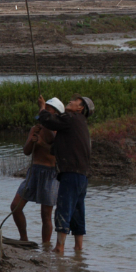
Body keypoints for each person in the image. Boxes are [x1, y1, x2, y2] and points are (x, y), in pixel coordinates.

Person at [37, 95, 94, 254]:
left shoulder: (71, 117)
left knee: (63, 209)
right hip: (81, 176)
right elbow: (58, 147)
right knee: (77, 212)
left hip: (71, 174)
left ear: (80, 108)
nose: (71, 100)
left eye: (75, 100)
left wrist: (42, 107)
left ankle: (59, 247)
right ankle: (78, 249)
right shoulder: (80, 123)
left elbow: (48, 120)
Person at [10, 97, 62, 246]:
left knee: (46, 214)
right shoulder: (35, 129)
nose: (41, 119)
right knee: (15, 207)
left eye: (46, 113)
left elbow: (57, 152)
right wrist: (32, 141)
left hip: (50, 173)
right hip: (34, 171)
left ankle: (46, 246)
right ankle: (24, 238)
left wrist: (42, 143)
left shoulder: (58, 131)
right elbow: (26, 151)